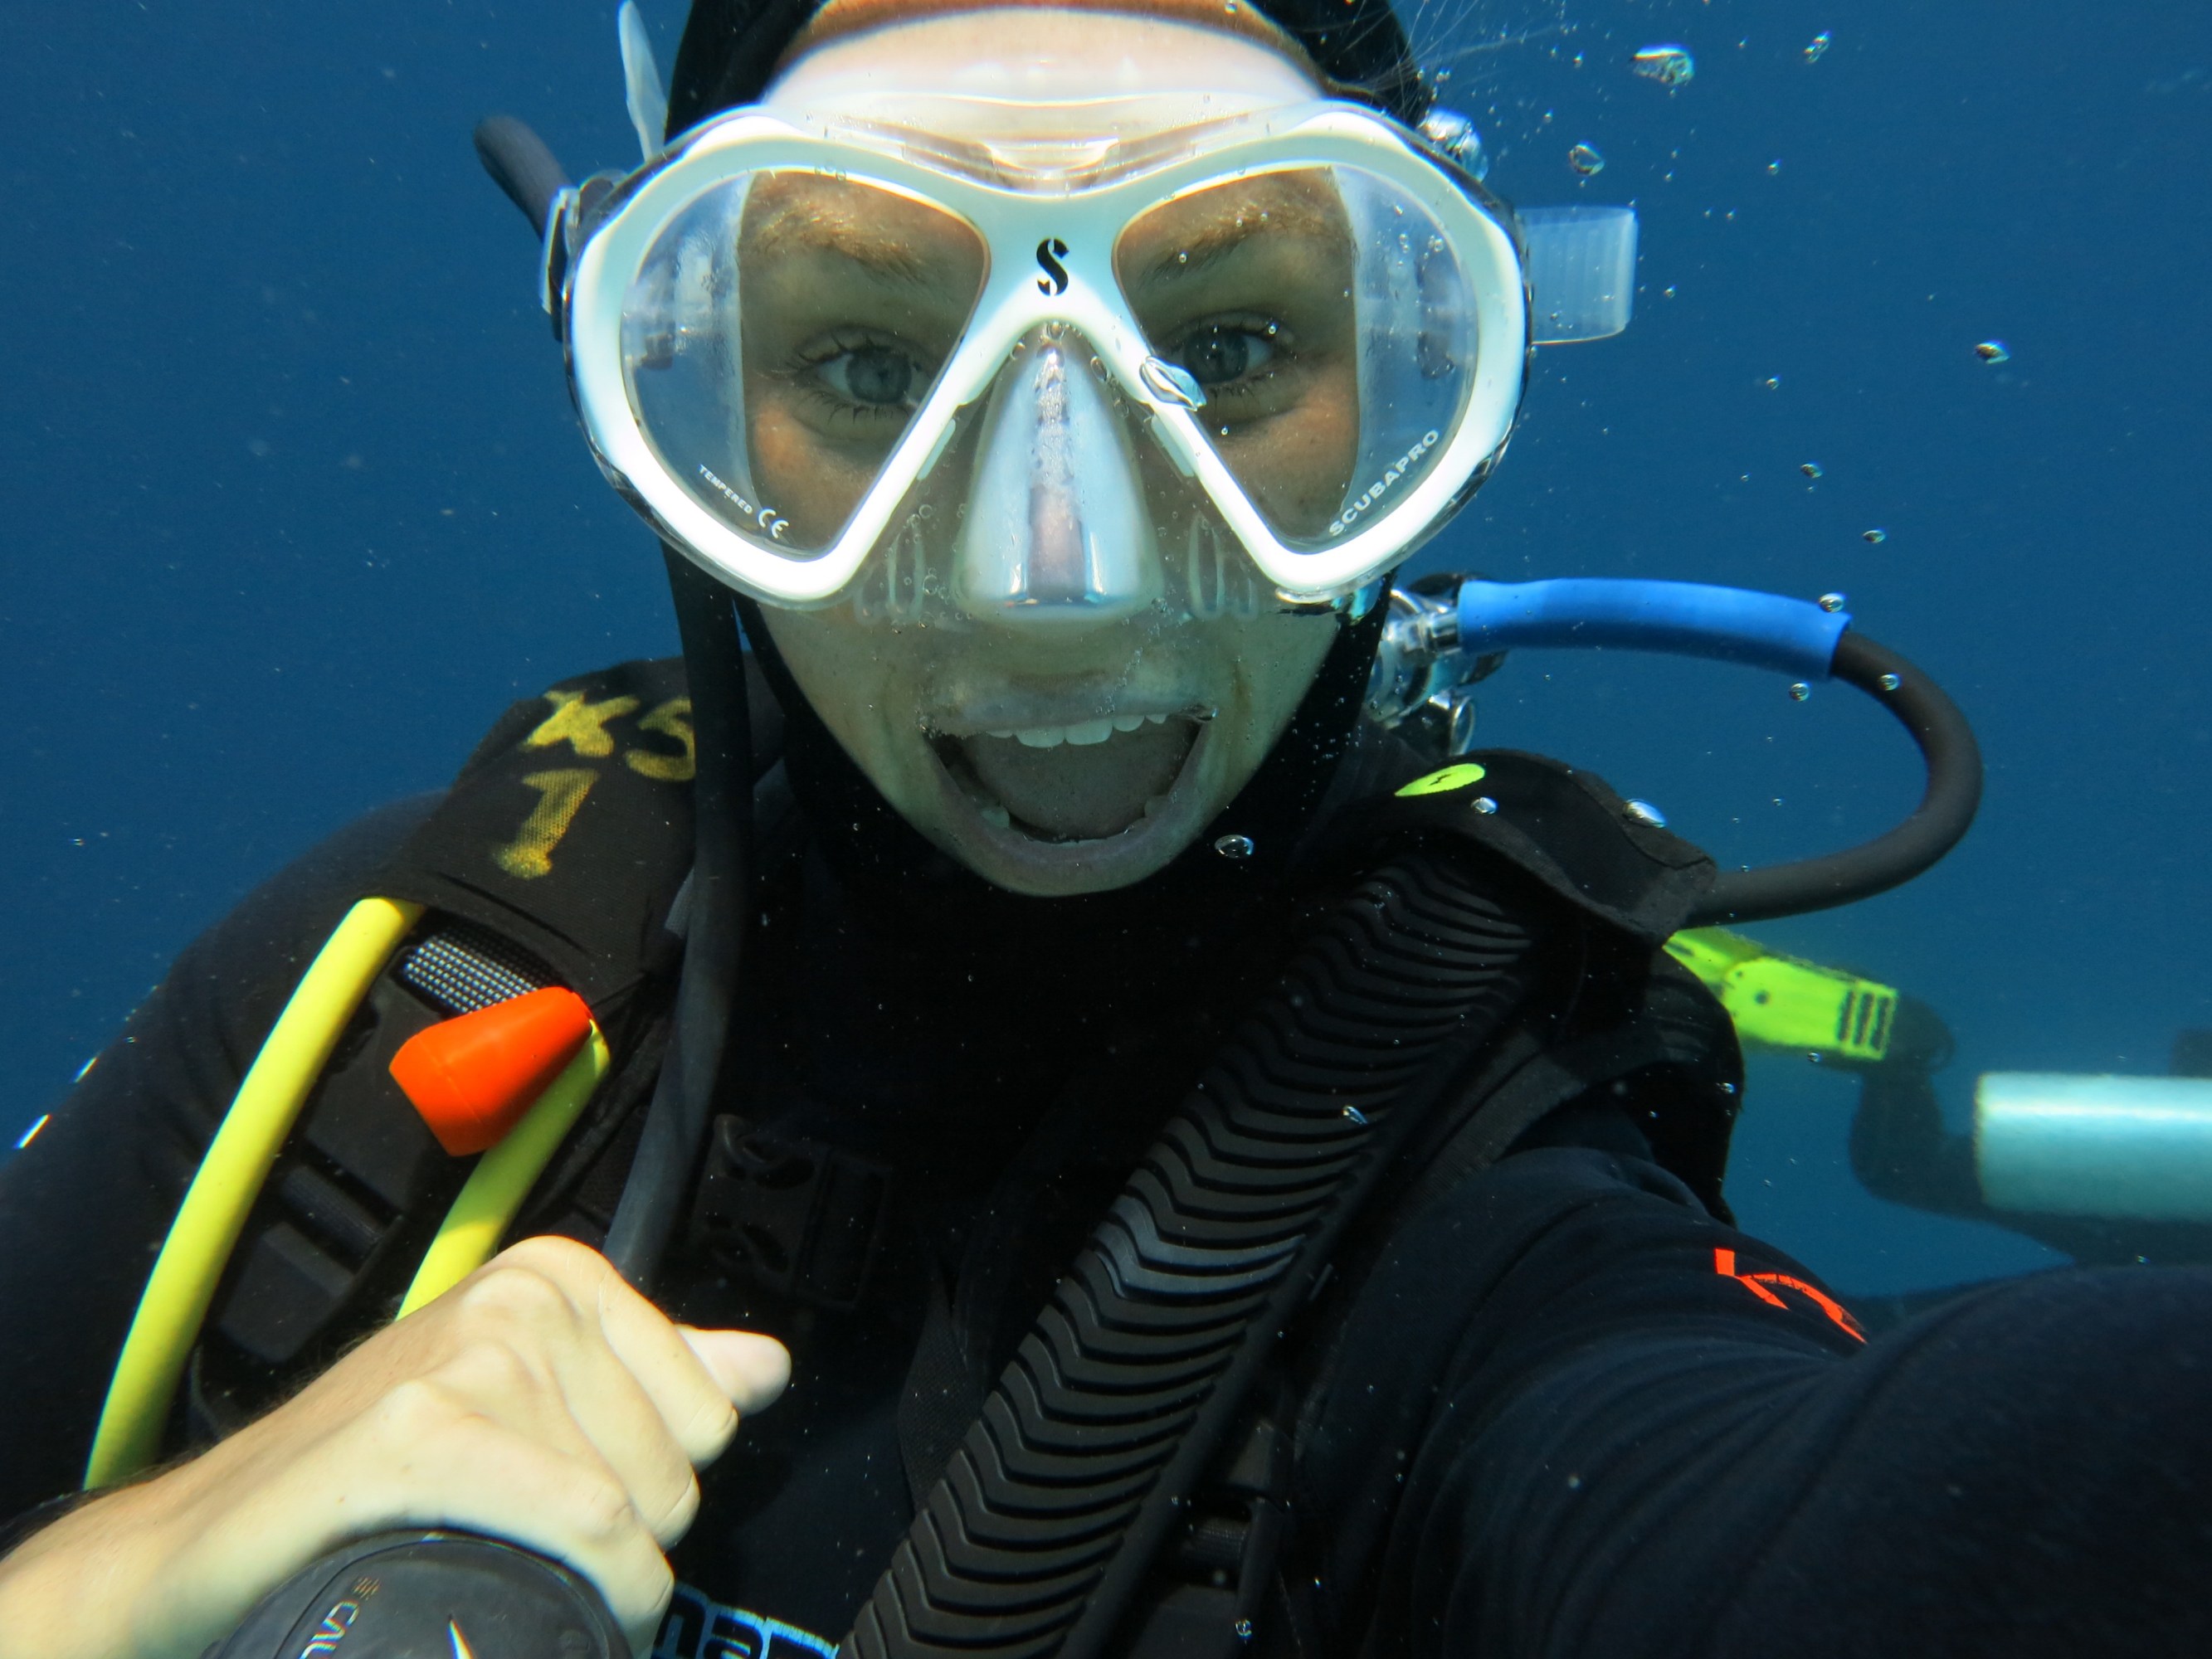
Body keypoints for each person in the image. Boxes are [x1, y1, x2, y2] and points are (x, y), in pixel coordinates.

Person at [3, 2, 2210, 1656]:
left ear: (1416, 375)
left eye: (1228, 341)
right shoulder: (412, 976)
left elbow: (1796, 1502)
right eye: (867, 367)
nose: (1052, 580)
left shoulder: (1490, 1178)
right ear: (681, 394)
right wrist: (126, 1578)